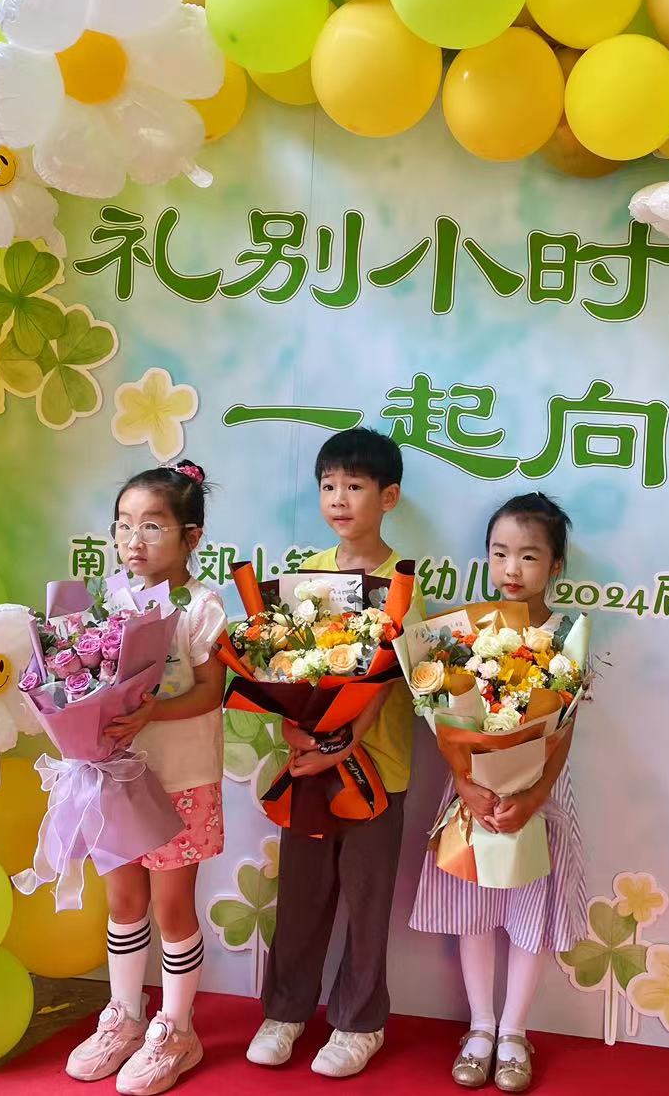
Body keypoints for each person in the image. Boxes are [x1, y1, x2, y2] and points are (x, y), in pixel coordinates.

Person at [248, 427, 423, 1079]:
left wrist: (343, 740)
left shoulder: (403, 582)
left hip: (378, 771)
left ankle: (359, 1023)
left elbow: (385, 678)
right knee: (301, 894)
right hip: (308, 768)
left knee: (367, 902)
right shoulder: (307, 576)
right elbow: (284, 667)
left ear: (389, 497)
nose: (339, 499)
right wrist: (296, 732)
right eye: (328, 486)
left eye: (355, 486)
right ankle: (286, 1011)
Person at [409, 493, 587, 1093]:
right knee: (475, 909)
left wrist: (533, 797)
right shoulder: (464, 630)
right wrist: (464, 782)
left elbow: (564, 729)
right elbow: (443, 718)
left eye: (529, 556)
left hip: (538, 797)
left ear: (555, 565)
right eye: (500, 553)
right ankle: (480, 1027)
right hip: (472, 797)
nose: (512, 569)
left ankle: (515, 1031)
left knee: (528, 914)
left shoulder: (567, 633)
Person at [66, 462, 228, 1094]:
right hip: (115, 776)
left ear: (192, 537)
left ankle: (177, 1031)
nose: (134, 540)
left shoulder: (202, 607)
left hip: (181, 778)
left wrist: (153, 711)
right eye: (124, 525)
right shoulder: (111, 599)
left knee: (171, 906)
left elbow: (211, 691)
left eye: (153, 526)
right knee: (124, 902)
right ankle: (125, 1018)